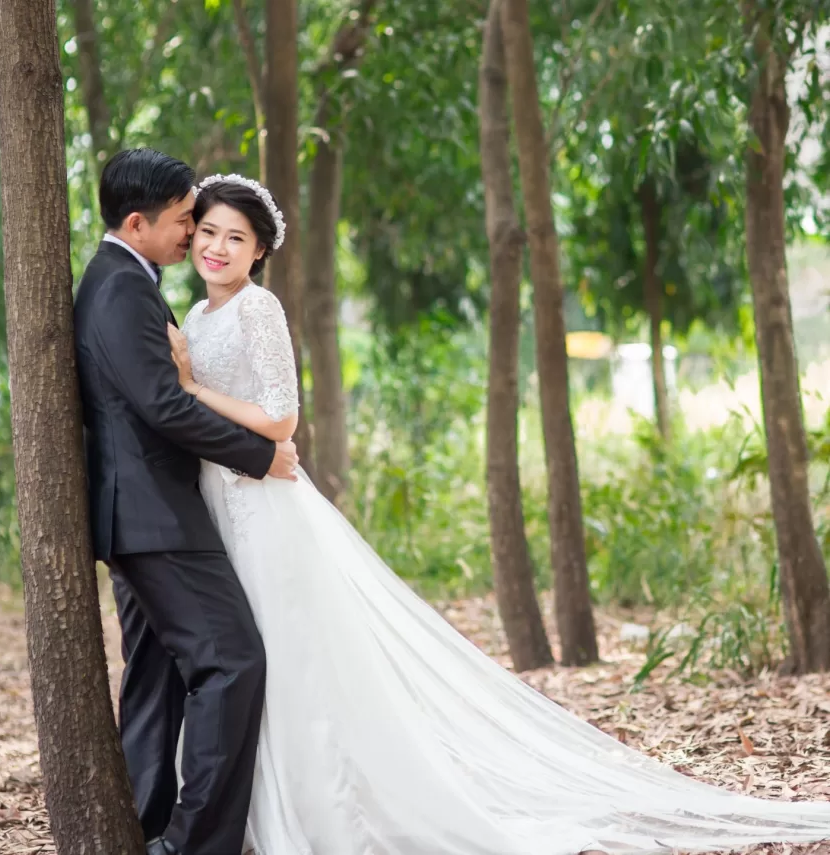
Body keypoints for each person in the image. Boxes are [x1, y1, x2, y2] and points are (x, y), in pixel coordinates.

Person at [167, 171, 830, 855]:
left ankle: (312, 810)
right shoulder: (196, 315)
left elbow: (280, 416)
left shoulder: (256, 309)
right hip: (221, 503)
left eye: (235, 237)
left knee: (287, 656)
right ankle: (246, 808)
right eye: (209, 232)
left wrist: (193, 389)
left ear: (259, 251)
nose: (216, 247)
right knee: (242, 657)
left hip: (268, 510)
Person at [73, 149, 299, 855]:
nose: (194, 235)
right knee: (233, 662)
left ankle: (141, 826)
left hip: (145, 510)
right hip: (156, 514)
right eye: (183, 222)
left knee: (157, 676)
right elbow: (163, 403)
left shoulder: (128, 279)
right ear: (136, 223)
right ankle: (193, 844)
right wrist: (263, 457)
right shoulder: (121, 290)